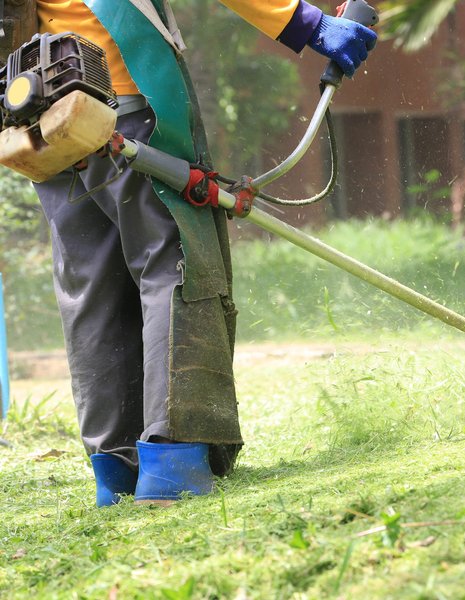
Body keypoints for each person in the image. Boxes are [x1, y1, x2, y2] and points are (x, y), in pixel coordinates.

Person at [30, 0, 377, 507]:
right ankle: (175, 462)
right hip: (119, 98)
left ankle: (116, 473)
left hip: (41, 110)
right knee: (175, 262)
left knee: (93, 288)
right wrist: (310, 23)